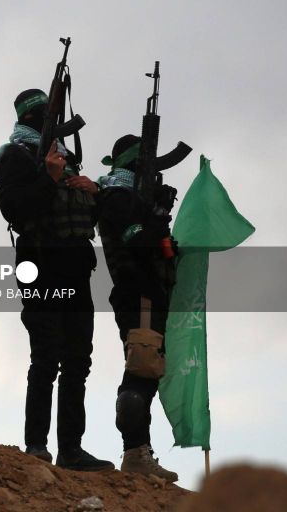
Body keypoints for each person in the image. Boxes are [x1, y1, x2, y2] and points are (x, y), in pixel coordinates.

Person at [0, 89, 114, 470]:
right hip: (41, 266)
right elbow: (14, 209)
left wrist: (93, 191)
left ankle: (72, 449)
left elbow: (85, 216)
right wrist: (49, 177)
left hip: (76, 269)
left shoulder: (65, 158)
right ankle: (36, 446)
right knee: (46, 356)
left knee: (78, 359)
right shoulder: (14, 157)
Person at [97, 134, 179, 482]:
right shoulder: (118, 197)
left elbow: (159, 246)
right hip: (138, 294)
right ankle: (135, 452)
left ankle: (138, 451)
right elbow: (137, 241)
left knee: (146, 373)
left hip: (149, 294)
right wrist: (156, 215)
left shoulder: (129, 198)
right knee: (140, 372)